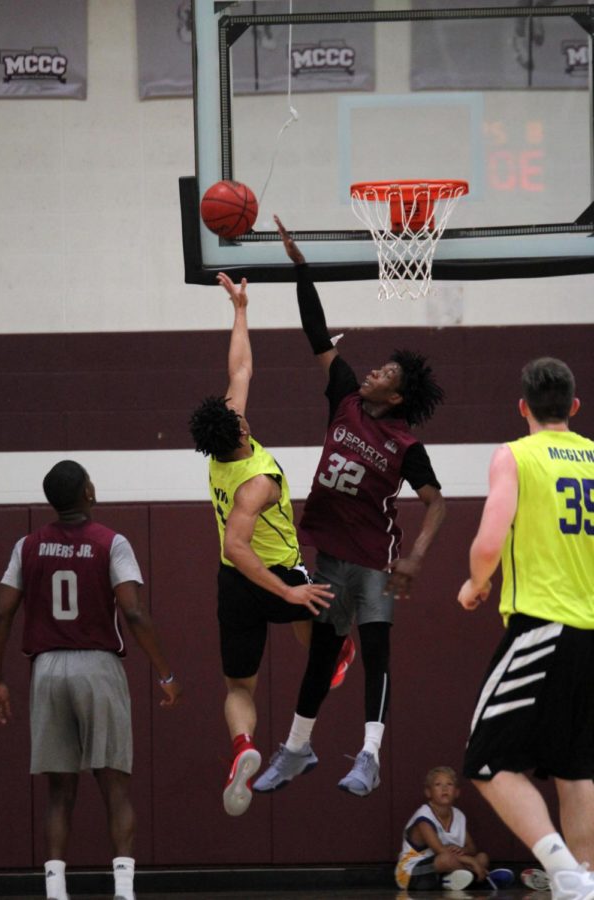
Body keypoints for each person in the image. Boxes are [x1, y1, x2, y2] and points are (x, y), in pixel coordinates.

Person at [253, 217, 446, 798]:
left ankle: (369, 755)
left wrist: (413, 558)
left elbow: (437, 505)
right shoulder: (344, 397)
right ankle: (295, 750)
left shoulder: (406, 446)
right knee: (322, 659)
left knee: (376, 653)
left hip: (373, 561)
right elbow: (316, 333)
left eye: (384, 372)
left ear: (398, 395)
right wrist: (301, 269)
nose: (371, 371)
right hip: (330, 555)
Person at [0, 459, 182, 900]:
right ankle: (123, 890)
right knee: (114, 785)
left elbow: (1, 612)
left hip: (46, 670)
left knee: (59, 790)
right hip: (98, 667)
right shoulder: (112, 543)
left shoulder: (26, 546)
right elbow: (133, 612)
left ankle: (56, 891)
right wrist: (166, 673)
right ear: (88, 494)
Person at [188, 271, 334, 817]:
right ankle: (331, 661)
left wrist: (241, 310)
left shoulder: (222, 444)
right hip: (269, 572)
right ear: (241, 435)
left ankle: (244, 746)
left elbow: (241, 367)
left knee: (238, 686)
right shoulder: (257, 480)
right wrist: (288, 593)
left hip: (232, 589)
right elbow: (238, 546)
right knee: (321, 612)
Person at [458, 357, 594, 900]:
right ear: (574, 408)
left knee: (486, 760)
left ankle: (563, 869)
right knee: (575, 767)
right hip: (589, 632)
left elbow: (489, 542)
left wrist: (474, 583)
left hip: (544, 623)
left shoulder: (514, 456)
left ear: (523, 408)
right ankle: (584, 878)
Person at [395, 766, 492, 891]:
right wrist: (471, 862)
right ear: (428, 792)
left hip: (446, 867)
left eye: (449, 784)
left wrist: (463, 850)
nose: (444, 788)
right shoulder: (423, 816)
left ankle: (455, 880)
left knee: (482, 857)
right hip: (411, 873)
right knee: (447, 859)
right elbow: (440, 851)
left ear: (457, 792)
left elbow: (472, 848)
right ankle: (479, 878)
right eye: (438, 784)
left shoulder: (459, 815)